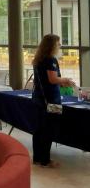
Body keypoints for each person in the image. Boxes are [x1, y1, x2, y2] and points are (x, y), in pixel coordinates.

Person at [32, 34, 75, 168]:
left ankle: (38, 158)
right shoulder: (51, 60)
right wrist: (66, 80)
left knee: (39, 129)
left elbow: (44, 80)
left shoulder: (38, 59)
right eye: (58, 44)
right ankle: (46, 160)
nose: (60, 46)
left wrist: (61, 82)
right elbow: (52, 79)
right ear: (51, 46)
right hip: (51, 100)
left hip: (40, 98)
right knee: (49, 128)